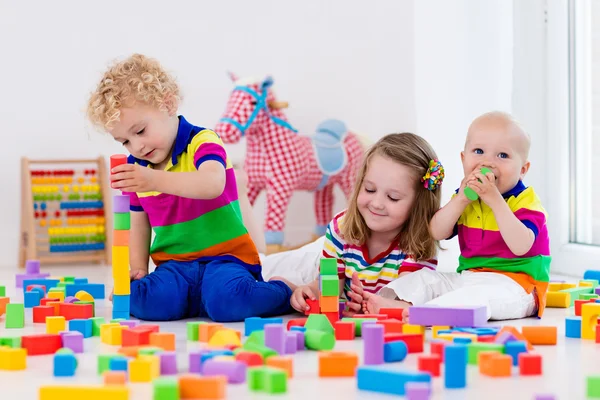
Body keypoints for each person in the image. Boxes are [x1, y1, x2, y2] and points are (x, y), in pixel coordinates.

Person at [86, 53, 294, 322]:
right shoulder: (138, 166)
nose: (136, 147)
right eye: (124, 141)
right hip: (175, 265)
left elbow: (212, 184)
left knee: (226, 303)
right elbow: (138, 223)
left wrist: (152, 180)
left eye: (140, 131)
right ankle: (192, 298)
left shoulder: (202, 142)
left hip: (227, 258)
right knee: (146, 302)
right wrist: (138, 270)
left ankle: (284, 289)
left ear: (167, 104)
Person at [359, 111, 550, 322]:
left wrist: (495, 200)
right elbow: (436, 232)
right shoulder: (466, 197)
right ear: (463, 159)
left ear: (523, 169)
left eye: (502, 155)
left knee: (476, 297)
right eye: (478, 151)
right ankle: (392, 303)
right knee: (425, 278)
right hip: (468, 277)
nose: (488, 162)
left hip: (517, 287)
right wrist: (461, 200)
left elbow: (521, 246)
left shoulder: (526, 201)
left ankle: (427, 314)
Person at [284, 133, 444, 316]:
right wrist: (311, 293)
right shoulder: (341, 228)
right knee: (271, 273)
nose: (376, 203)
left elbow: (405, 305)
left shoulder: (420, 242)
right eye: (369, 189)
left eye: (393, 197)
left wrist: (368, 304)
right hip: (312, 256)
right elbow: (329, 289)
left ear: (418, 204)